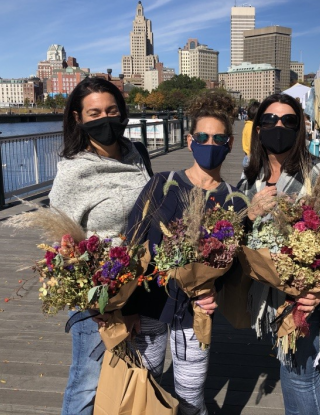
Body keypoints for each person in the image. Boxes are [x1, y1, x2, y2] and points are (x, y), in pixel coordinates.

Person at [123, 91, 247, 415]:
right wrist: (127, 307)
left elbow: (233, 263)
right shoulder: (162, 184)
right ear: (190, 140)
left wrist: (214, 292)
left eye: (218, 138)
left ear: (230, 143)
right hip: (148, 303)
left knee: (191, 395)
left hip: (194, 313)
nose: (210, 144)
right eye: (202, 137)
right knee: (145, 384)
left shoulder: (235, 200)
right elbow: (132, 241)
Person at [238, 93, 320, 415]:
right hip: (271, 296)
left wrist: (319, 288)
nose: (278, 126)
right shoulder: (250, 178)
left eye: (288, 121)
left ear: (299, 129)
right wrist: (249, 215)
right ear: (258, 128)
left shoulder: (317, 173)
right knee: (298, 372)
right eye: (270, 120)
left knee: (299, 376)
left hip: (309, 298)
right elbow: (240, 238)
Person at [48, 77, 152, 415]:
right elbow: (61, 239)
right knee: (87, 382)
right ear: (78, 118)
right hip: (95, 296)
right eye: (94, 113)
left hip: (137, 284)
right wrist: (96, 302)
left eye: (111, 110)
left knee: (127, 379)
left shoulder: (136, 153)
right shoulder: (74, 172)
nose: (104, 119)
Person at [241, 101, 260, 172]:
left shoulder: (248, 125)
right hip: (251, 158)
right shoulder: (251, 127)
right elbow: (251, 144)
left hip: (248, 157)